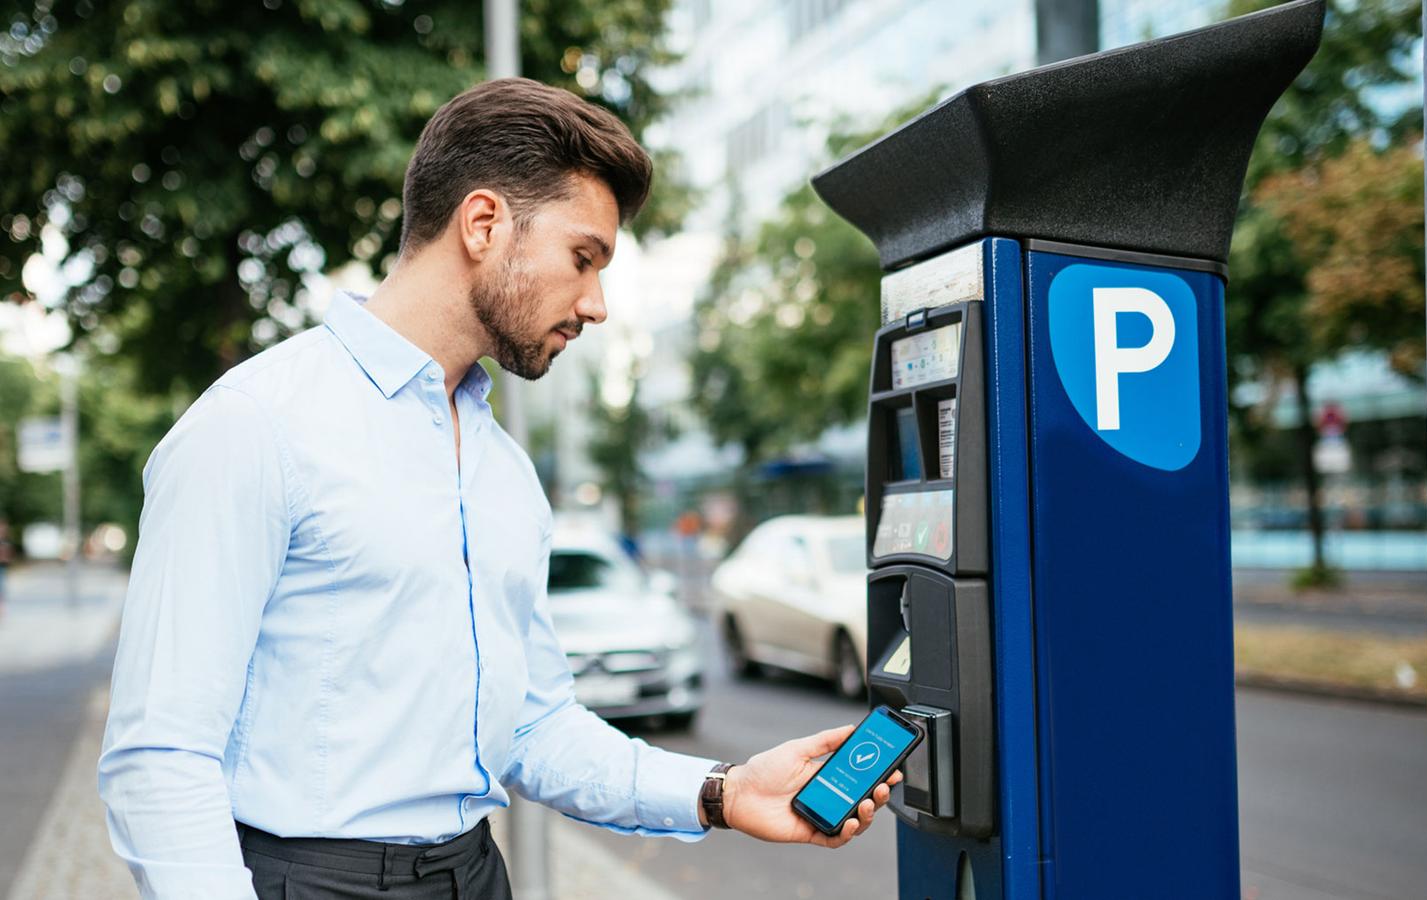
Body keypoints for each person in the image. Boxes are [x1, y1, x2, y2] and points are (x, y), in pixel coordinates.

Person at [99, 78, 896, 900]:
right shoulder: (254, 427)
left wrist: (722, 792)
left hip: (476, 875)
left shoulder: (504, 472)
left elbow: (534, 724)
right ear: (483, 224)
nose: (597, 305)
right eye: (583, 258)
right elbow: (160, 757)